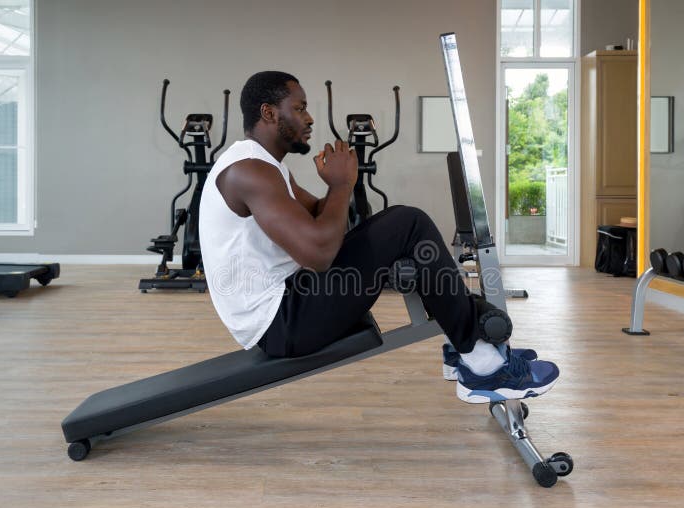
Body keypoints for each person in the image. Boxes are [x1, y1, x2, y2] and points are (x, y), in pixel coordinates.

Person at [199, 71, 559, 403]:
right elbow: (320, 251)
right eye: (300, 108)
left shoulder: (267, 167)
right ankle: (483, 369)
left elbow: (322, 215)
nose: (309, 118)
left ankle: (462, 344)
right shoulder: (248, 171)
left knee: (401, 225)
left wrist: (340, 188)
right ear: (269, 113)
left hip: (291, 298)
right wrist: (342, 184)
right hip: (282, 322)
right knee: (408, 223)